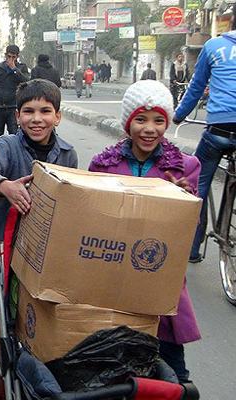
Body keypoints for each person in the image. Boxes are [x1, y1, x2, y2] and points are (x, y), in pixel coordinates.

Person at [0, 79, 78, 400]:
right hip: (1, 257)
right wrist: (4, 186)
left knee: (37, 335)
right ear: (17, 116)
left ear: (58, 116)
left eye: (45, 111)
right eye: (28, 111)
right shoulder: (7, 147)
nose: (37, 118)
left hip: (43, 263)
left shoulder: (67, 154)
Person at [89, 79, 201, 383]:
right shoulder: (103, 166)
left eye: (158, 120)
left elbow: (188, 226)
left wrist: (183, 198)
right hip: (114, 279)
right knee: (114, 371)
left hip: (160, 277)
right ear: (128, 124)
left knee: (174, 373)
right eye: (140, 119)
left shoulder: (185, 167)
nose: (149, 128)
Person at [173, 8, 236, 263]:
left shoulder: (213, 46)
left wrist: (178, 116)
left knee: (196, 185)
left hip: (219, 130)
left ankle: (192, 250)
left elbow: (196, 88)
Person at [0, 45, 30, 138]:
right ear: (5, 55)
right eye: (9, 56)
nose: (10, 59)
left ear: (17, 57)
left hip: (13, 107)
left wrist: (14, 69)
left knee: (14, 134)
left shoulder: (22, 68)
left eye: (13, 57)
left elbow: (26, 81)